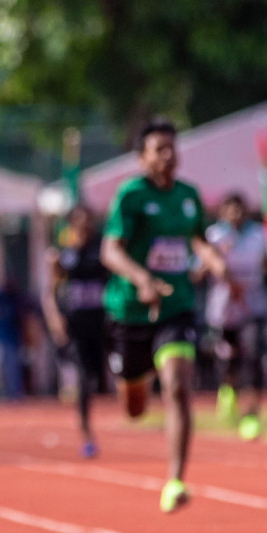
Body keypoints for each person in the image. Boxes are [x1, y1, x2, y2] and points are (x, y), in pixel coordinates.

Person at [100, 118, 226, 513]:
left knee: (177, 385)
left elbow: (199, 240)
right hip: (131, 311)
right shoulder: (131, 195)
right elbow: (110, 250)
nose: (169, 156)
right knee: (135, 406)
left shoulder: (188, 196)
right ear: (142, 158)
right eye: (160, 149)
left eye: (173, 147)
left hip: (176, 308)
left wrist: (214, 261)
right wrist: (142, 279)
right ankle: (134, 381)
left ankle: (175, 479)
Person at [40, 203, 109, 458]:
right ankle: (86, 430)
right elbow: (50, 291)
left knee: (100, 378)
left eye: (88, 221)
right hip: (75, 326)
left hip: (101, 323)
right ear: (71, 225)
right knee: (82, 378)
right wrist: (54, 318)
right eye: (79, 222)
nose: (85, 227)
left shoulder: (102, 251)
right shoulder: (62, 256)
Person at [204, 193, 267, 441]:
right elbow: (199, 267)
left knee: (252, 355)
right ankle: (227, 389)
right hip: (224, 309)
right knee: (228, 357)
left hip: (252, 305)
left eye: (240, 209)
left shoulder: (258, 235)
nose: (236, 215)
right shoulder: (214, 236)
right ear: (222, 213)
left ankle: (251, 416)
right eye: (230, 210)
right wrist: (215, 262)